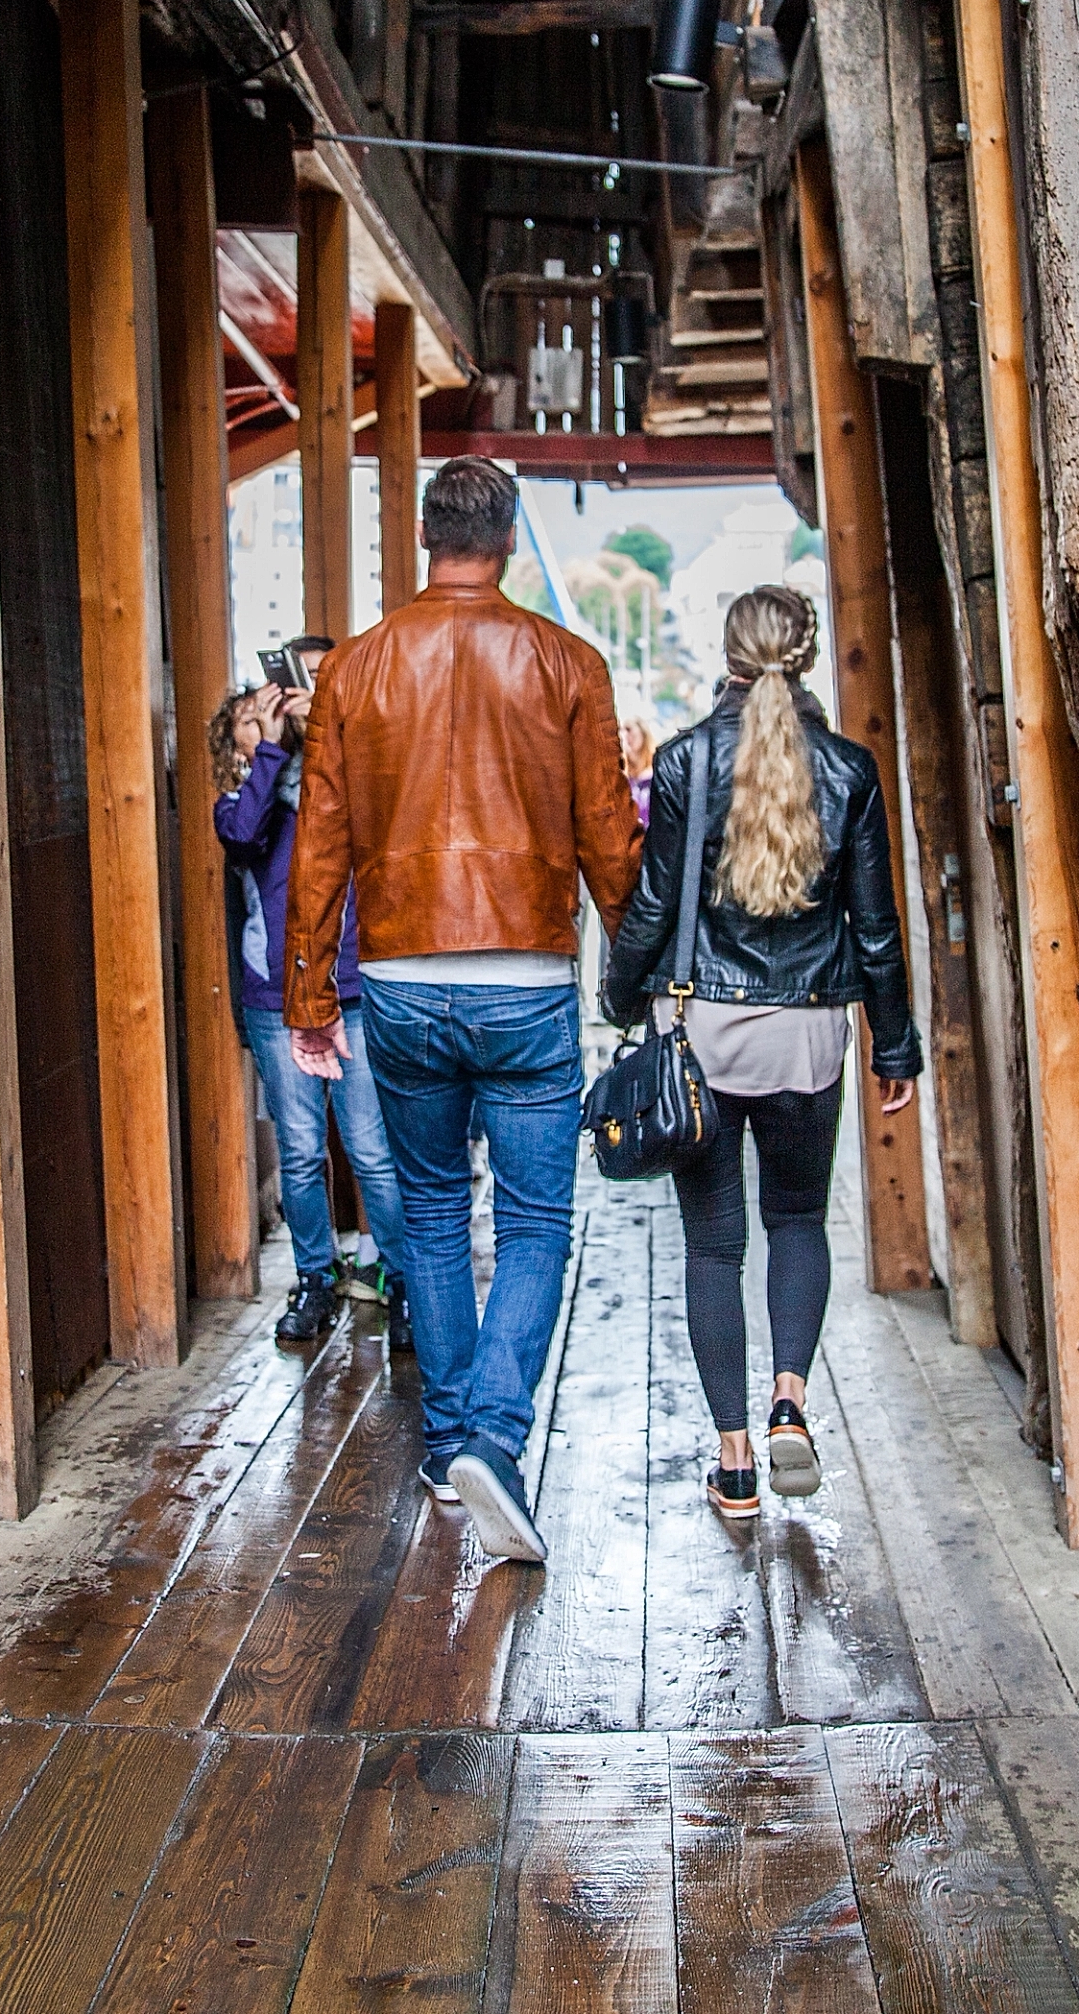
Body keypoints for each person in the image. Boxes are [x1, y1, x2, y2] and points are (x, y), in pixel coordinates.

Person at [286, 457, 642, 1561]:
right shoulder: (567, 660)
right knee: (535, 1222)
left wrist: (309, 995)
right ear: (509, 541)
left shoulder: (355, 669)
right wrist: (633, 970)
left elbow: (322, 848)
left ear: (426, 537)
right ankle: (492, 1431)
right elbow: (608, 841)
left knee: (435, 1215)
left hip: (396, 977)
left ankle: (450, 1450)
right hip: (529, 980)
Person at [601, 585, 920, 1520]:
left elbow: (655, 907)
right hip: (811, 1036)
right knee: (795, 1222)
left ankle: (735, 1461)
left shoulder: (686, 762)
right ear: (807, 656)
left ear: (729, 657)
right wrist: (892, 1047)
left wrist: (620, 996)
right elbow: (875, 929)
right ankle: (790, 1400)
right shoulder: (852, 771)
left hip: (703, 1033)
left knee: (713, 1246)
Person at [213, 655, 405, 1356]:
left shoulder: (337, 780)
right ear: (234, 743)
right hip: (276, 996)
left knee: (371, 1150)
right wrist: (269, 747)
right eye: (245, 720)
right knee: (299, 1151)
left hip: (353, 986)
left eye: (269, 709)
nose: (263, 721)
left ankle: (403, 1277)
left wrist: (319, 721)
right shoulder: (239, 801)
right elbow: (245, 836)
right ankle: (314, 1279)